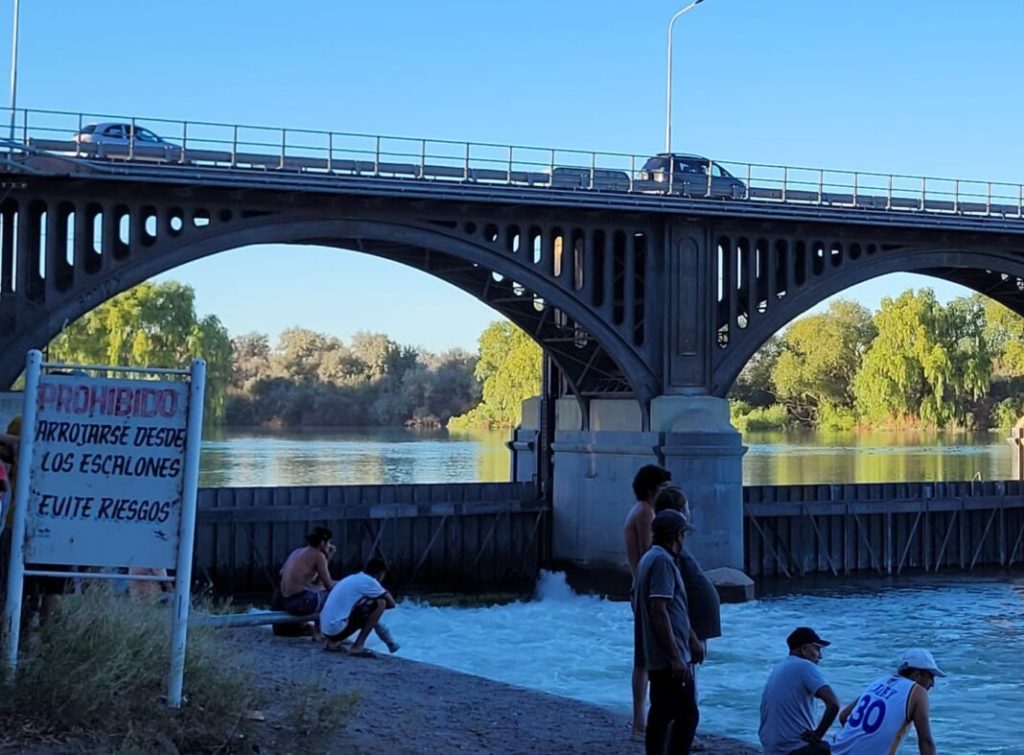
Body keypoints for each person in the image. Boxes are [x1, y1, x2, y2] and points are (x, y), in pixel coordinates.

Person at [635, 509, 699, 755]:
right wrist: (675, 655)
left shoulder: (649, 558)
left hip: (658, 655)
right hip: (667, 658)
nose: (685, 540)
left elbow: (674, 608)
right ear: (677, 536)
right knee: (687, 715)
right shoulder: (662, 562)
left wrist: (691, 637)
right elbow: (659, 610)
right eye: (684, 534)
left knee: (661, 713)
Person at [652, 485, 721, 686]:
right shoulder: (668, 555)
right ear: (680, 511)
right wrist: (690, 635)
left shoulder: (672, 550)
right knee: (684, 689)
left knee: (689, 686)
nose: (690, 513)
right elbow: (666, 602)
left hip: (693, 629)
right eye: (687, 507)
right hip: (688, 631)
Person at [624, 463, 673, 738]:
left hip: (639, 588)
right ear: (652, 489)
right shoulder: (645, 512)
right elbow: (648, 553)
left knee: (644, 658)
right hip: (644, 590)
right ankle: (640, 722)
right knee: (645, 659)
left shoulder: (642, 510)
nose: (666, 493)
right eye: (663, 487)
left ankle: (641, 720)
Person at [831, 649, 942, 755]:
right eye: (931, 677)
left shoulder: (879, 682)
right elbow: (926, 742)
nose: (932, 684)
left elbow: (844, 716)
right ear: (916, 675)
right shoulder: (917, 691)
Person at [759, 627, 841, 755]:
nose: (820, 656)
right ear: (804, 649)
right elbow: (833, 704)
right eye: (817, 649)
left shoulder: (779, 667)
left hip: (772, 749)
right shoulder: (805, 666)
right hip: (793, 749)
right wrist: (818, 735)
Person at [321, 556, 398, 656]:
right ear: (380, 574)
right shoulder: (370, 581)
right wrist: (382, 592)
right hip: (336, 629)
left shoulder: (353, 578)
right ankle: (358, 646)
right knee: (380, 603)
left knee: (366, 606)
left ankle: (331, 643)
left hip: (326, 629)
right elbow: (392, 604)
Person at [278, 526, 337, 623]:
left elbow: (281, 573)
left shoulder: (297, 551)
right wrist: (328, 557)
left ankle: (315, 630)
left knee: (320, 590)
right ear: (322, 543)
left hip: (284, 601)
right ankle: (323, 631)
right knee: (336, 595)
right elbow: (328, 585)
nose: (330, 546)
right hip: (298, 603)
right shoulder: (318, 555)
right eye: (329, 543)